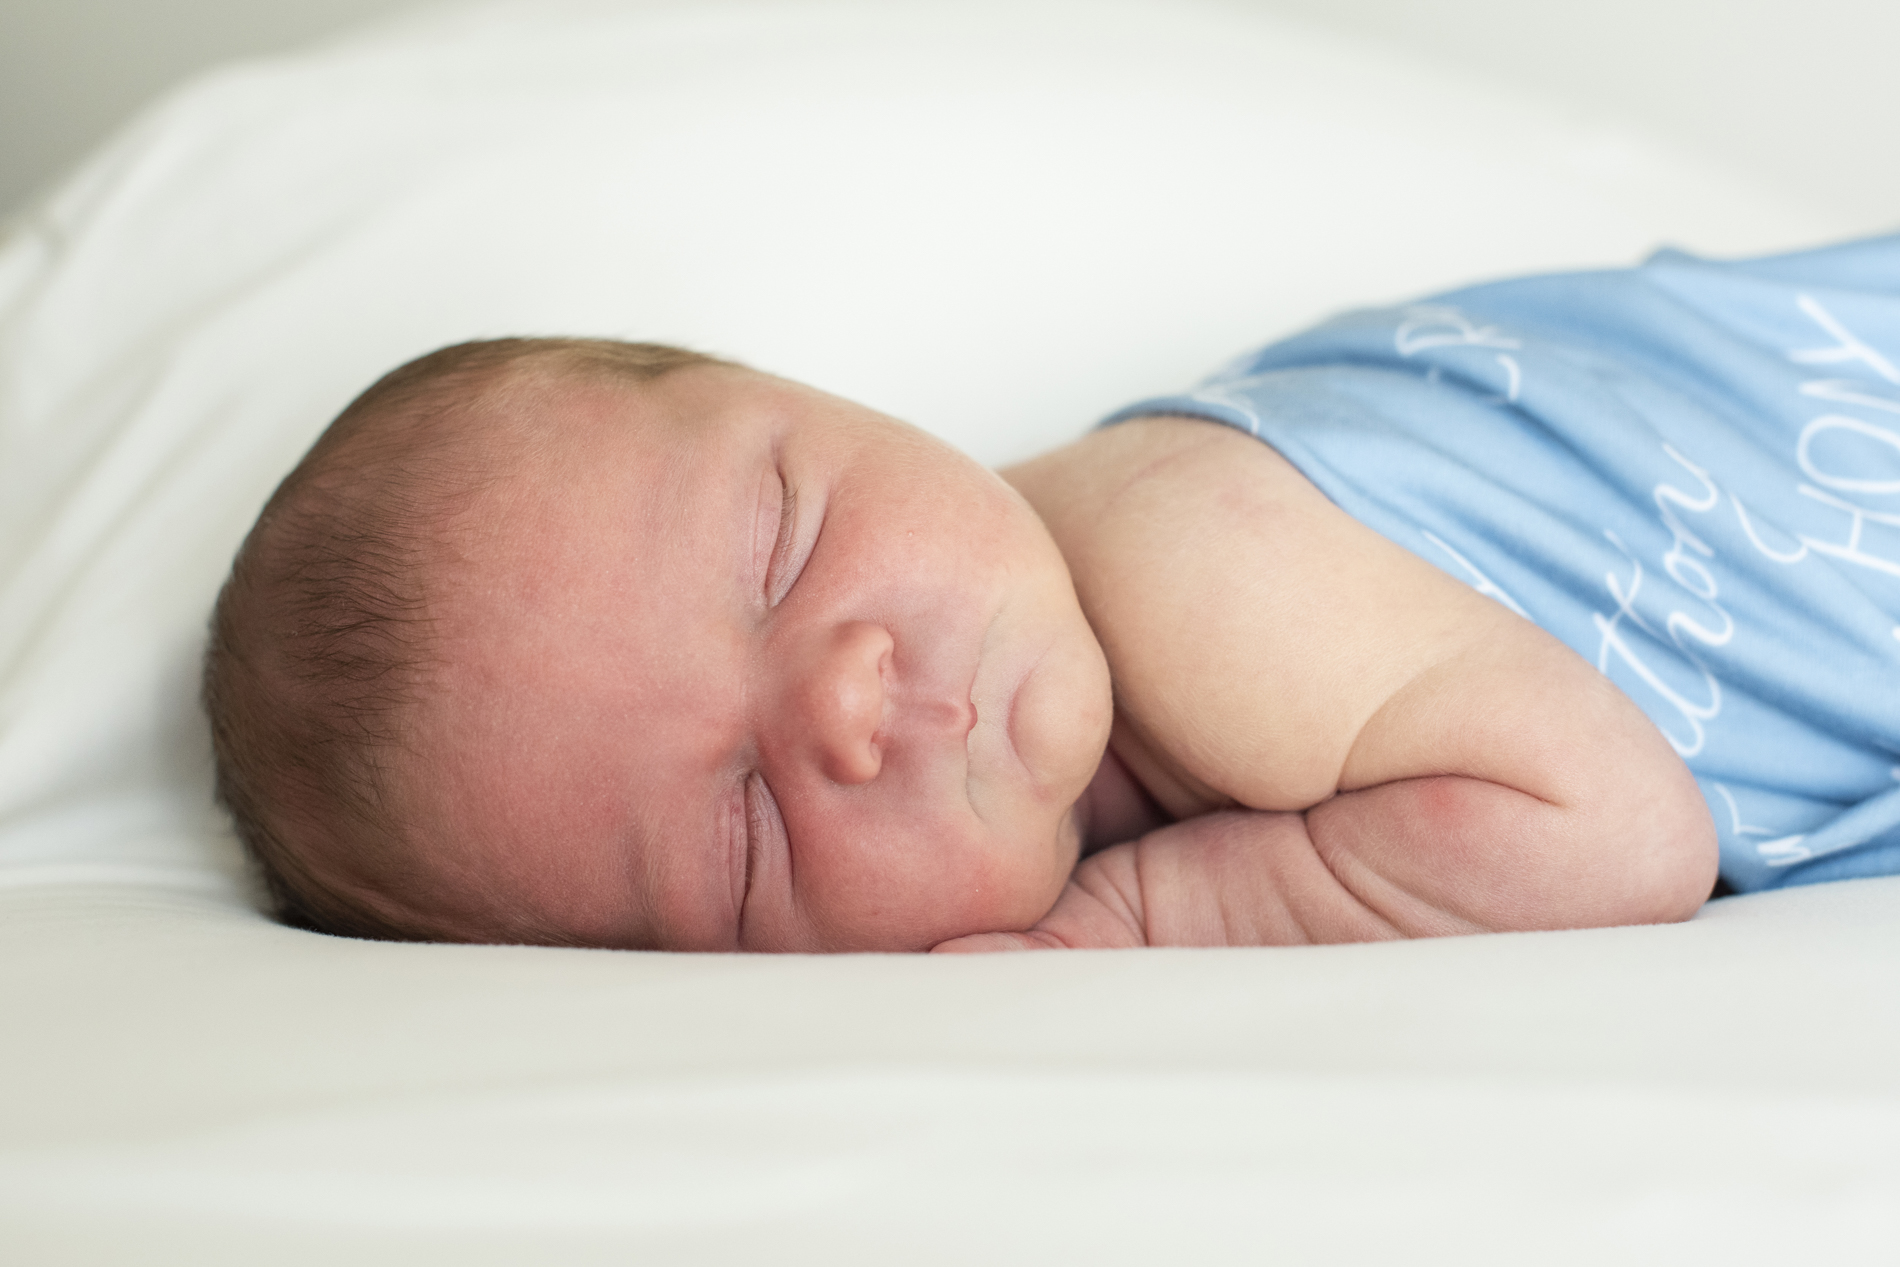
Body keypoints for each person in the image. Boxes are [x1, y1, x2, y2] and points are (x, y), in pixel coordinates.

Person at [204, 234, 1900, 952]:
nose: (848, 699)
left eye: (783, 548)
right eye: (740, 835)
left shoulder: (1191, 560)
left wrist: (1141, 923)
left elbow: (1616, 836)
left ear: (833, 398)